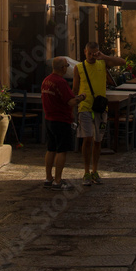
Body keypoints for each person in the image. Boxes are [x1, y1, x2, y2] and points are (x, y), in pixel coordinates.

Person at [73, 41, 125, 186]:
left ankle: (95, 170)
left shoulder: (103, 64)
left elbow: (122, 61)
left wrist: (104, 56)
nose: (91, 56)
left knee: (97, 140)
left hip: (100, 108)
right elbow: (75, 88)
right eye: (89, 53)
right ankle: (86, 171)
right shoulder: (79, 68)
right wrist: (73, 103)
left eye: (94, 53)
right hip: (85, 106)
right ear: (85, 52)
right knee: (87, 138)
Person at [41, 56, 86, 189]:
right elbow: (71, 101)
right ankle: (58, 180)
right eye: (67, 65)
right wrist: (82, 97)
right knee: (62, 150)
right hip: (61, 120)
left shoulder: (46, 81)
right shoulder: (60, 82)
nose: (67, 67)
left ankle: (49, 178)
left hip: (49, 119)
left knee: (51, 149)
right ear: (62, 68)